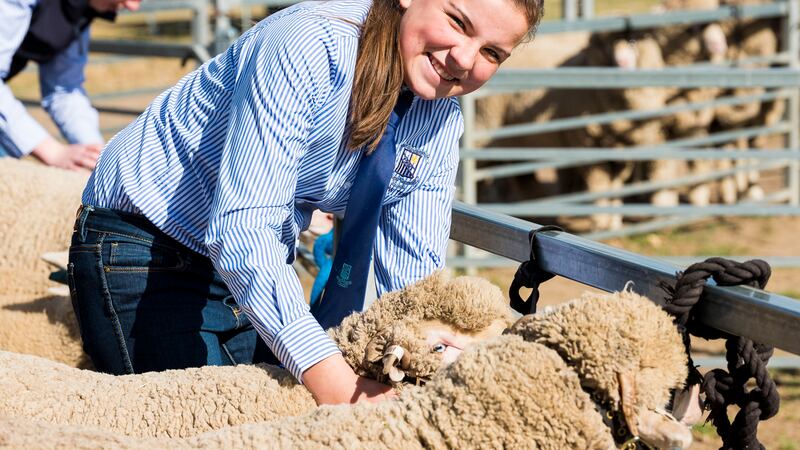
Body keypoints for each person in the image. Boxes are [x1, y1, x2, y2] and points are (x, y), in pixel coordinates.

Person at [68, 0, 543, 406]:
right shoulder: (307, 45)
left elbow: (413, 272)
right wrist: (336, 382)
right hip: (147, 250)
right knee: (206, 422)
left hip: (256, 271)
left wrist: (436, 347)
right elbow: (242, 228)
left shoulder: (437, 119)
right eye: (458, 21)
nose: (463, 57)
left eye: (492, 52)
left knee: (279, 413)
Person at [0, 0, 141, 170]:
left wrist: (95, 155)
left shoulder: (77, 13)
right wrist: (53, 151)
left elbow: (64, 89)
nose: (133, 7)